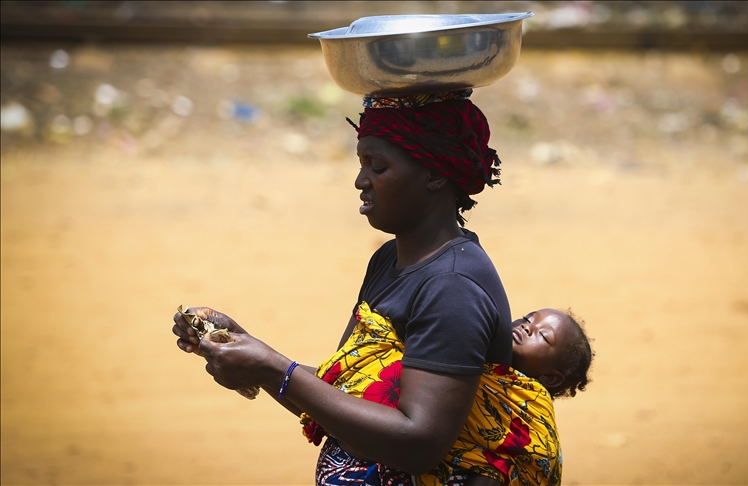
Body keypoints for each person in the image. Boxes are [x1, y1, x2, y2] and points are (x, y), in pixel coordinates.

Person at [173, 89, 515, 484]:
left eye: (378, 167)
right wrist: (246, 349)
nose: (360, 181)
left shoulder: (451, 287)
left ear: (436, 173)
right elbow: (341, 396)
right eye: (361, 163)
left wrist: (272, 367)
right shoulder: (389, 260)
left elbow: (420, 443)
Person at [299, 304, 593, 486]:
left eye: (542, 336)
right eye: (528, 318)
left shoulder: (529, 414)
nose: (527, 328)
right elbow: (364, 393)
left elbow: (521, 465)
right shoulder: (465, 365)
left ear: (551, 377)